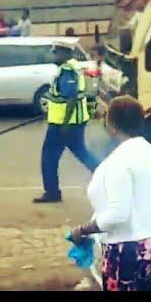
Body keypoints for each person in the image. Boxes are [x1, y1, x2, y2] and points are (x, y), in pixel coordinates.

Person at [70, 96, 151, 291]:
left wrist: (83, 230)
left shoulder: (118, 163)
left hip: (131, 252)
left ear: (112, 126)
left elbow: (118, 215)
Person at [34, 37, 99, 204]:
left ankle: (52, 192)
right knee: (82, 153)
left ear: (65, 53)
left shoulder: (67, 70)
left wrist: (64, 124)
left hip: (66, 123)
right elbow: (61, 97)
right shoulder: (71, 67)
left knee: (49, 156)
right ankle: (106, 176)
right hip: (72, 121)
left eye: (56, 52)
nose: (54, 54)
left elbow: (70, 98)